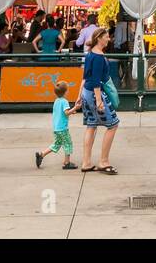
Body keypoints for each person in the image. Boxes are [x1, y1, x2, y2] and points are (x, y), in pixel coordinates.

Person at [79, 27, 119, 174]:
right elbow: (96, 81)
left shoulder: (90, 54)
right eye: (106, 37)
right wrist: (99, 101)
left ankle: (86, 162)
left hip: (86, 92)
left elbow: (85, 77)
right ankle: (103, 161)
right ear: (99, 38)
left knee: (91, 125)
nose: (108, 39)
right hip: (95, 94)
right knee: (113, 124)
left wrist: (79, 96)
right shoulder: (99, 57)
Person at [36, 81, 80, 170]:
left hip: (56, 128)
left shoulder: (56, 101)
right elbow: (66, 113)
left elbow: (62, 113)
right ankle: (67, 163)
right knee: (68, 143)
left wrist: (71, 112)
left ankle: (42, 154)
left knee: (57, 144)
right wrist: (75, 108)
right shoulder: (64, 101)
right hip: (63, 128)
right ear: (65, 92)